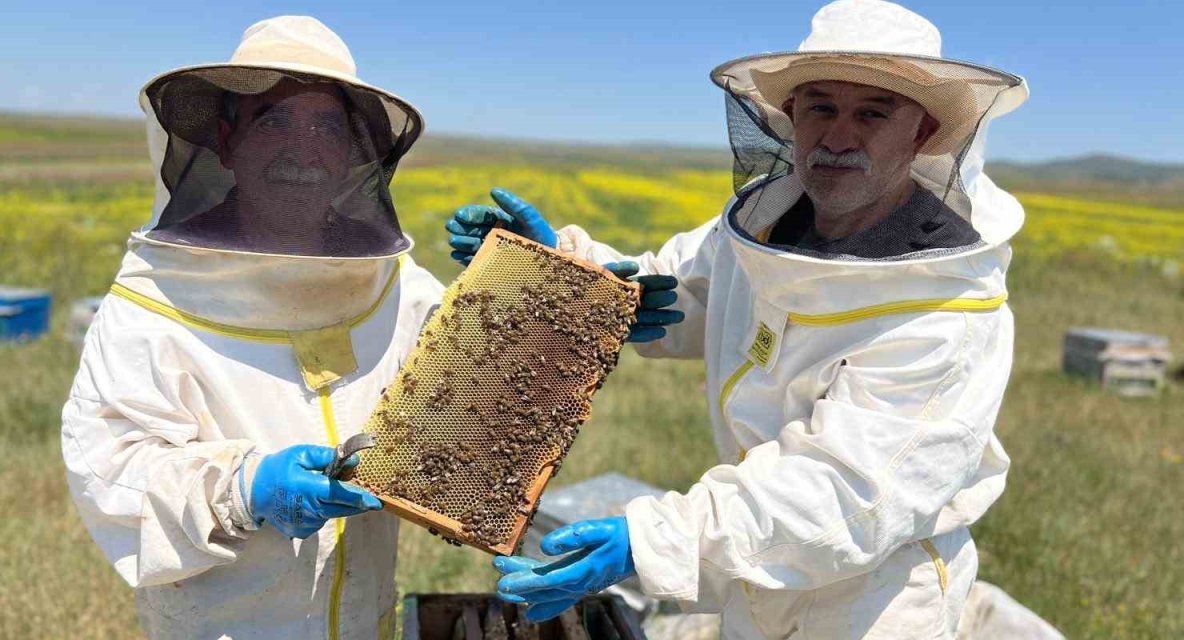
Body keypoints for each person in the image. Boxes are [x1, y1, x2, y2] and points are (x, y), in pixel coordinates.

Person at [446, 1, 1030, 637]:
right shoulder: (765, 227)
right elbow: (680, 289)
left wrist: (659, 540)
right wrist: (564, 271)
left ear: (922, 135)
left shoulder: (946, 310)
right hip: (753, 582)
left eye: (871, 113)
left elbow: (846, 495)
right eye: (821, 108)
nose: (837, 137)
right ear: (790, 118)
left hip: (875, 602)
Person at [61, 16, 445, 638]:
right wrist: (243, 488)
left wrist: (542, 279)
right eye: (274, 119)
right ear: (227, 136)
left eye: (328, 125)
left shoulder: (396, 283)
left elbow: (475, 383)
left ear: (354, 149)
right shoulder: (153, 300)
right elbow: (109, 469)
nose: (304, 147)